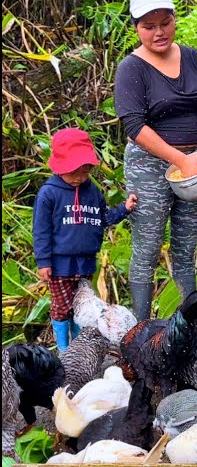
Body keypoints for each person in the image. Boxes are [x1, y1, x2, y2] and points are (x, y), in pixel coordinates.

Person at [114, 0, 197, 320]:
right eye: (149, 26)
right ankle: (141, 331)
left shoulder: (192, 57)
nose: (158, 32)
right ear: (136, 28)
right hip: (149, 166)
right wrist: (180, 160)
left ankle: (190, 325)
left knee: (186, 248)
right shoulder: (131, 69)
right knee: (146, 248)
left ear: (174, 20)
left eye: (165, 22)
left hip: (194, 164)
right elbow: (134, 125)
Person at [33, 128, 138, 351]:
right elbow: (41, 230)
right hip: (60, 264)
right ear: (62, 166)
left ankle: (79, 347)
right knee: (62, 307)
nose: (80, 177)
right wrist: (44, 262)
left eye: (85, 171)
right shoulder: (49, 194)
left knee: (81, 307)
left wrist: (125, 209)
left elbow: (104, 218)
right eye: (75, 172)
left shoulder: (93, 192)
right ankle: (64, 349)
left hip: (85, 262)